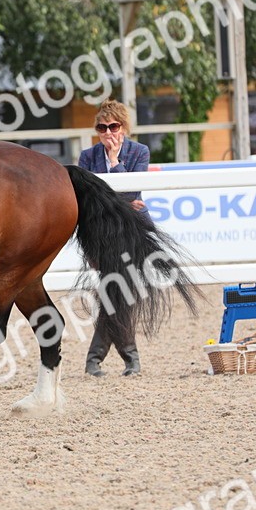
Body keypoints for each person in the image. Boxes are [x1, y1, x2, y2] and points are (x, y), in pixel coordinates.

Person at [78, 100, 150, 377]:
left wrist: (115, 163)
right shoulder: (87, 157)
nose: (108, 132)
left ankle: (101, 359)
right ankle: (122, 359)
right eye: (102, 127)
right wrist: (119, 202)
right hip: (101, 235)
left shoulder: (139, 152)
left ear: (123, 127)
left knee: (119, 295)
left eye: (113, 126)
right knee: (118, 296)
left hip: (132, 234)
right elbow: (88, 200)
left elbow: (132, 192)